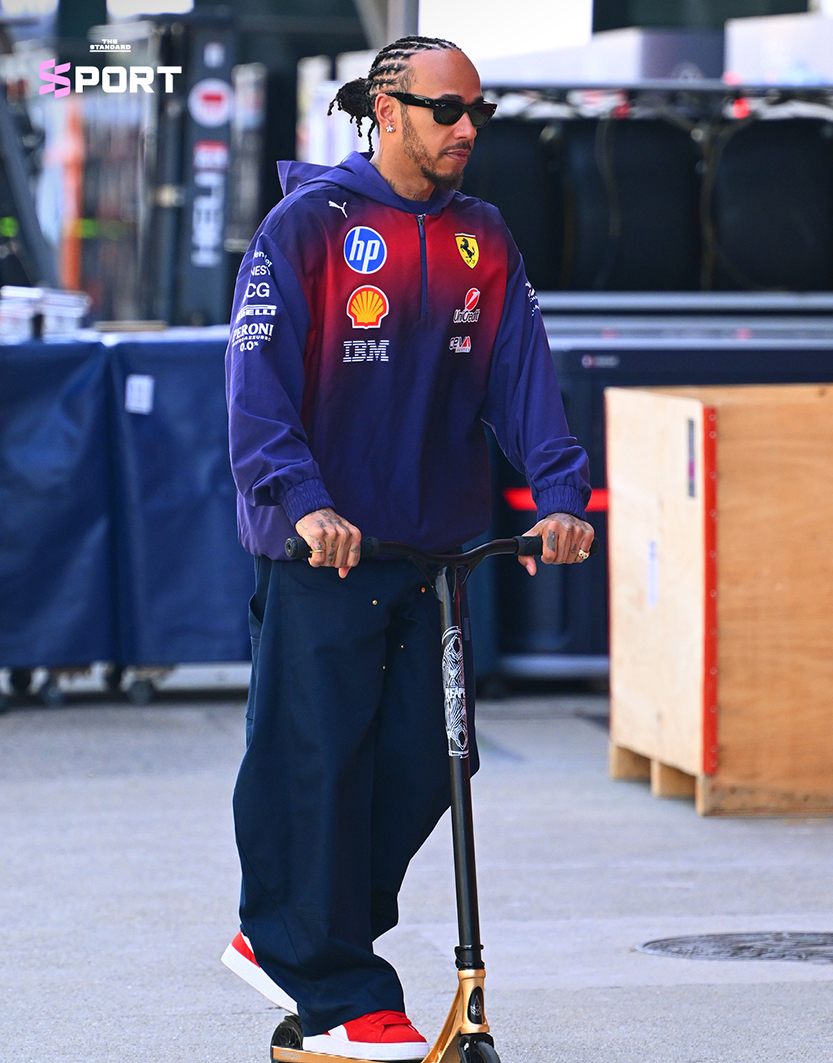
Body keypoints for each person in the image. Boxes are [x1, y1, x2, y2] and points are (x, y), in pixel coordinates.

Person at [222, 34, 594, 1062]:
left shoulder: (484, 235)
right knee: (312, 758)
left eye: (479, 111)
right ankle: (335, 976)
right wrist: (301, 503)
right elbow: (255, 395)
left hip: (437, 549)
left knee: (430, 761)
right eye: (445, 111)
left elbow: (523, 381)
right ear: (385, 110)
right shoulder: (309, 227)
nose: (467, 129)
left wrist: (558, 495)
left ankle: (296, 932)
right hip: (326, 549)